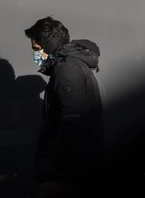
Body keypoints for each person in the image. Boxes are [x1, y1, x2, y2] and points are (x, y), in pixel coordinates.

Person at [24, 17, 104, 198]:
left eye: (37, 49)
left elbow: (75, 120)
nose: (35, 55)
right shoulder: (73, 65)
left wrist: (52, 165)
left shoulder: (66, 68)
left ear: (49, 44)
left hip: (66, 178)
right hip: (73, 173)